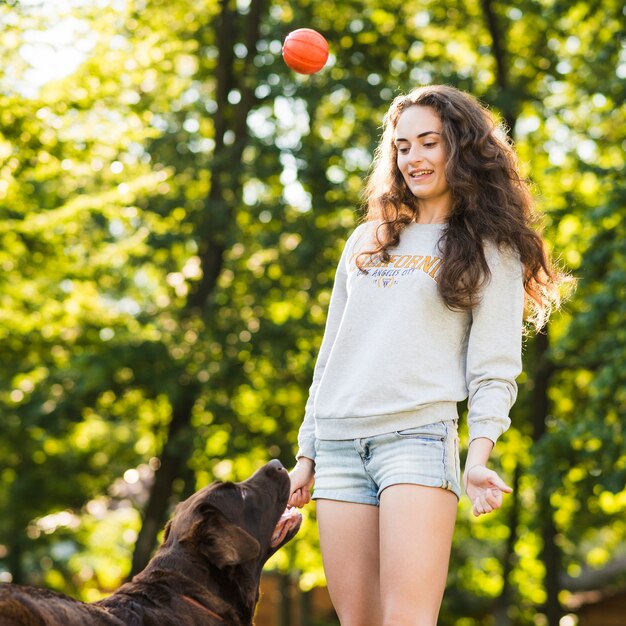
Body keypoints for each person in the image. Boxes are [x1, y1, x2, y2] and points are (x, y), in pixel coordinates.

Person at [288, 84, 565, 626]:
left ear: (459, 148)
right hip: (341, 443)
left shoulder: (492, 248)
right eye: (402, 146)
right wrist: (308, 454)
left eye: (428, 143)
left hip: (417, 440)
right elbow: (331, 357)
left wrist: (479, 455)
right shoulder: (367, 240)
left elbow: (494, 368)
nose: (413, 158)